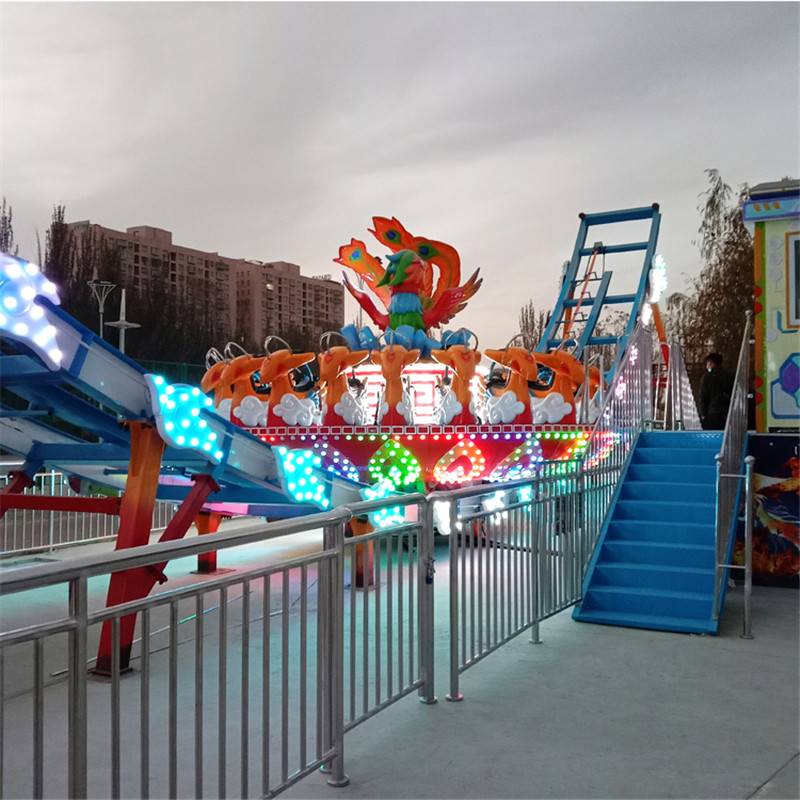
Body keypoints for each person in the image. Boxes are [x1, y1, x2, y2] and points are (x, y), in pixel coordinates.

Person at [699, 352, 733, 430]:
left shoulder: (707, 376)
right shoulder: (730, 375)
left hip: (712, 413)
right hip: (727, 413)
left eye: (707, 363)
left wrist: (703, 413)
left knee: (712, 435)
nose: (706, 366)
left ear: (711, 363)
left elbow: (703, 396)